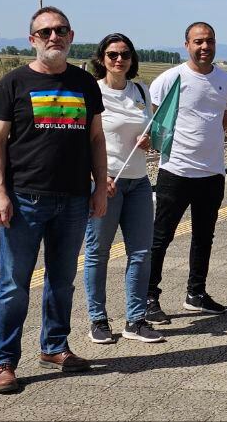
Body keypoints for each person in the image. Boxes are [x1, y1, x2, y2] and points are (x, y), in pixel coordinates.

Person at [0, 7, 108, 394]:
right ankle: (3, 361)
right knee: (13, 285)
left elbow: (96, 139)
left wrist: (100, 186)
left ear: (71, 36)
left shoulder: (85, 83)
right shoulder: (13, 83)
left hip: (73, 200)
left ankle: (54, 347)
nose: (53, 37)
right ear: (32, 39)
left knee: (62, 281)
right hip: (25, 201)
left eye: (60, 31)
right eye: (45, 32)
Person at [145, 22, 227, 324]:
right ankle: (148, 297)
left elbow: (223, 122)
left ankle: (196, 293)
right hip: (175, 171)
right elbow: (157, 118)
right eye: (198, 41)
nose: (204, 47)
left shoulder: (226, 82)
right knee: (161, 237)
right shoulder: (170, 79)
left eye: (209, 41)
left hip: (212, 174)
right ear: (186, 44)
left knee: (204, 236)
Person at [82, 33, 164, 345]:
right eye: (113, 54)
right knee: (98, 252)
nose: (119, 59)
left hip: (139, 182)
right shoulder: (93, 92)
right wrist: (97, 178)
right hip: (106, 182)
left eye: (125, 54)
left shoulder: (141, 90)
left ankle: (135, 319)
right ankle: (98, 319)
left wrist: (151, 141)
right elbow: (85, 140)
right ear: (101, 58)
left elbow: (156, 134)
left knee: (141, 252)